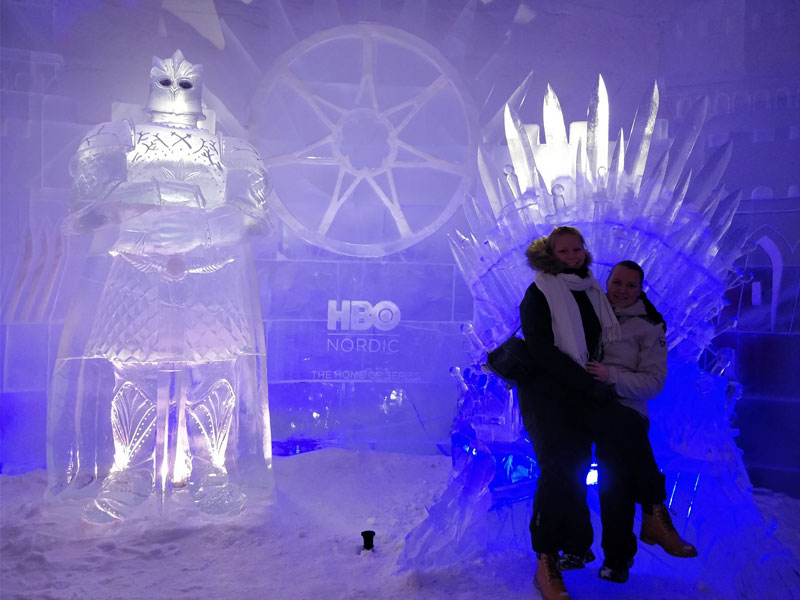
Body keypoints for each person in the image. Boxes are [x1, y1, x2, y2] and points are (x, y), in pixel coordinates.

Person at [517, 226, 620, 599]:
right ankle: (545, 560)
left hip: (581, 395)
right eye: (564, 251)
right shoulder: (540, 291)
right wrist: (585, 381)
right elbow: (541, 351)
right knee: (557, 469)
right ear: (550, 253)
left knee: (577, 468)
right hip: (547, 396)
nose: (573, 255)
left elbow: (606, 335)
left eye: (578, 249)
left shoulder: (591, 289)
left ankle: (575, 545)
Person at [583, 260, 698, 583]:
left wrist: (611, 376)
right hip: (590, 406)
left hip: (624, 409)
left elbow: (653, 383)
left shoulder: (649, 327)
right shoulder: (588, 311)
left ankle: (617, 560)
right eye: (617, 283)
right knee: (621, 446)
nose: (622, 290)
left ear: (640, 289)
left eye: (630, 285)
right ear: (607, 282)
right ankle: (653, 511)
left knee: (615, 474)